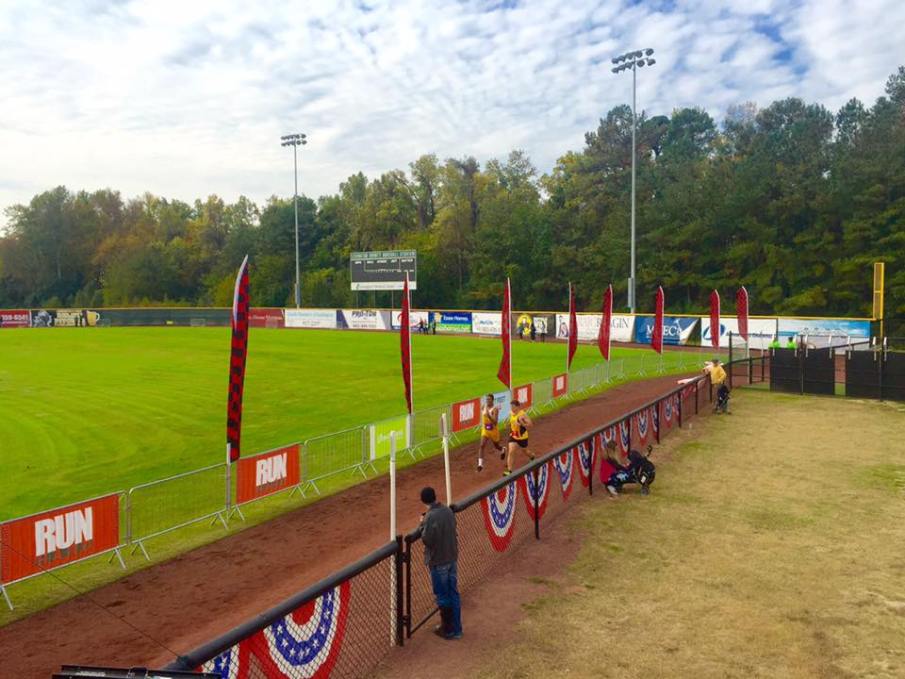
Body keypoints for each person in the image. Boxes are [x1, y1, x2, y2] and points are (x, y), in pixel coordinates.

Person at [419, 486, 462, 640]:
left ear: (423, 501)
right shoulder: (448, 510)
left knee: (443, 596)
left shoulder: (430, 517)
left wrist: (422, 525)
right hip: (451, 557)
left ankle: (447, 630)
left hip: (439, 561)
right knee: (453, 593)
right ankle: (457, 629)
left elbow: (427, 540)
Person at [504, 399, 533, 476]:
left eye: (513, 407)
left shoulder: (522, 415)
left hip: (522, 437)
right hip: (513, 435)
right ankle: (509, 471)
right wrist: (508, 425)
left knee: (525, 451)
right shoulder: (511, 413)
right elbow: (511, 422)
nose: (511, 408)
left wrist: (521, 424)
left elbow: (530, 424)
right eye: (511, 406)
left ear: (517, 407)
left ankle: (532, 457)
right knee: (511, 451)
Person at [477, 394, 502, 472]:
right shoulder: (483, 406)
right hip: (485, 430)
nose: (487, 401)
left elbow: (495, 422)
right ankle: (480, 465)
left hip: (493, 431)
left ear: (492, 400)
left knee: (497, 446)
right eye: (487, 399)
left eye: (489, 399)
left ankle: (503, 449)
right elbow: (482, 414)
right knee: (482, 445)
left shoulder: (495, 409)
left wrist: (488, 415)